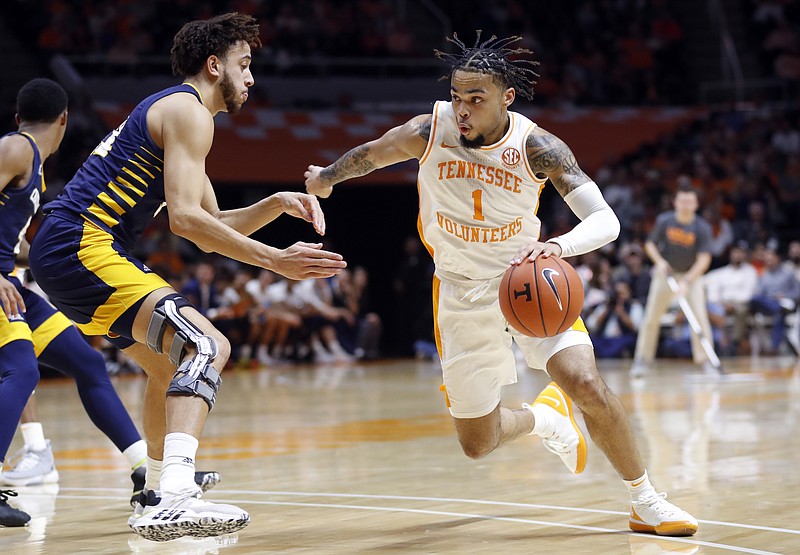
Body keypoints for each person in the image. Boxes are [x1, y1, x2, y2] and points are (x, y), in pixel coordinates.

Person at [305, 32, 697, 536]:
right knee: (477, 442)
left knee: (586, 383)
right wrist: (328, 178)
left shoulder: (538, 147)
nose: (462, 110)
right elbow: (370, 155)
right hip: (460, 291)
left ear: (506, 98)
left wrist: (558, 246)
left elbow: (606, 221)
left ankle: (646, 500)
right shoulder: (428, 131)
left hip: (529, 281)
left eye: (476, 99)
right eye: (456, 97)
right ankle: (545, 420)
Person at [28, 13, 346, 541]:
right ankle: (176, 495)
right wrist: (275, 260)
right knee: (207, 346)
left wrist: (272, 205)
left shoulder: (181, 114)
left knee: (165, 364)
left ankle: (155, 489)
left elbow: (208, 227)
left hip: (72, 251)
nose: (250, 79)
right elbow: (183, 220)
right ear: (214, 65)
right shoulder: (189, 112)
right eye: (245, 65)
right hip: (81, 244)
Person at [631, 182, 716, 377]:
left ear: (696, 204)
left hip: (691, 276)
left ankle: (706, 361)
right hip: (666, 274)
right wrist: (659, 262)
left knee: (699, 318)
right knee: (651, 317)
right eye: (682, 201)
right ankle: (642, 360)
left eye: (690, 201)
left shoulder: (701, 227)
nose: (686, 205)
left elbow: (704, 259)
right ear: (675, 202)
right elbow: (650, 244)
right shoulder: (665, 221)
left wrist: (686, 281)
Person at [704, 243, 758, 355]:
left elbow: (748, 294)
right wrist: (721, 304)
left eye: (741, 253)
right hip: (722, 304)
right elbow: (714, 292)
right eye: (735, 252)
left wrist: (732, 304)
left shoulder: (750, 271)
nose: (738, 255)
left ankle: (735, 341)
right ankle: (716, 343)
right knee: (709, 309)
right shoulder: (723, 272)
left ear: (745, 255)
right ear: (731, 254)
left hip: (741, 303)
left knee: (742, 310)